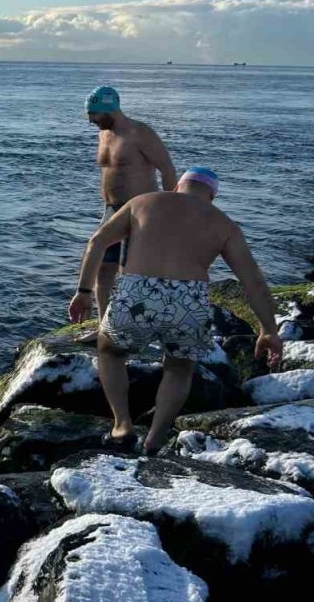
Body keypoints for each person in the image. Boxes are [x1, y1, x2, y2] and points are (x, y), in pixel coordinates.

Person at [67, 167, 283, 455]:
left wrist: (83, 292)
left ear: (178, 186)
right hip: (189, 299)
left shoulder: (143, 202)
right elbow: (253, 281)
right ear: (212, 196)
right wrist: (268, 329)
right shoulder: (224, 224)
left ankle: (122, 426)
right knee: (180, 368)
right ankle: (155, 438)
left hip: (139, 291)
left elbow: (98, 241)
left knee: (111, 351)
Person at [85, 86, 178, 321]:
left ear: (109, 109)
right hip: (111, 210)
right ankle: (103, 325)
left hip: (141, 211)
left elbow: (167, 169)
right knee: (103, 268)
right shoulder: (104, 134)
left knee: (131, 270)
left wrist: (172, 209)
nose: (90, 120)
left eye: (93, 114)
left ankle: (134, 323)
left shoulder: (140, 133)